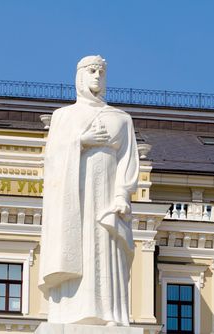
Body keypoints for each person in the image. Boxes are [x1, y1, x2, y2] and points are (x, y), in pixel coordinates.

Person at [38, 55, 139, 326]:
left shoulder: (121, 119)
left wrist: (121, 195)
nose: (97, 76)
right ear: (80, 76)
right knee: (80, 244)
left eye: (102, 72)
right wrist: (82, 141)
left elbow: (128, 160)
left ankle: (110, 314)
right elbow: (52, 158)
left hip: (106, 196)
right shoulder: (64, 116)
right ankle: (71, 311)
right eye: (92, 71)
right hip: (75, 198)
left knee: (105, 247)